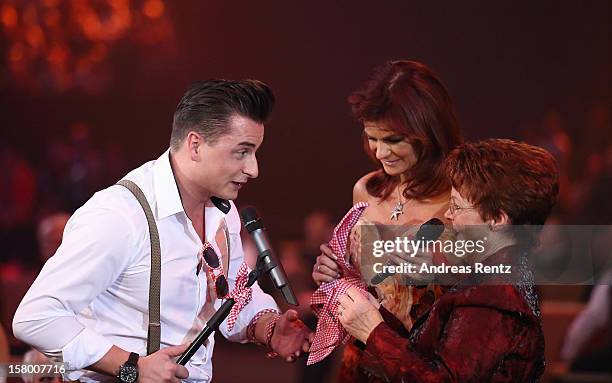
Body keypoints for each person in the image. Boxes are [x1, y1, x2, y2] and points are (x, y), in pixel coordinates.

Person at [13, 79, 312, 383]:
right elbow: (36, 316)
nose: (254, 169)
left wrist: (270, 328)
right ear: (195, 145)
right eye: (242, 152)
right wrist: (130, 367)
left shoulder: (224, 214)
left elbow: (232, 295)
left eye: (255, 152)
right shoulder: (120, 214)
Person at [336, 139, 556, 382]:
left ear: (497, 219)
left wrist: (373, 332)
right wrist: (376, 315)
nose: (449, 216)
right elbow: (437, 357)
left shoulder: (494, 295)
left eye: (457, 206)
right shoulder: (505, 275)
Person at [311, 60, 462, 379]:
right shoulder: (365, 190)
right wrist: (336, 273)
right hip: (363, 363)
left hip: (425, 369)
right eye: (373, 138)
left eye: (393, 140)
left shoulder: (461, 202)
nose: (380, 152)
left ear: (429, 132)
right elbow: (364, 283)